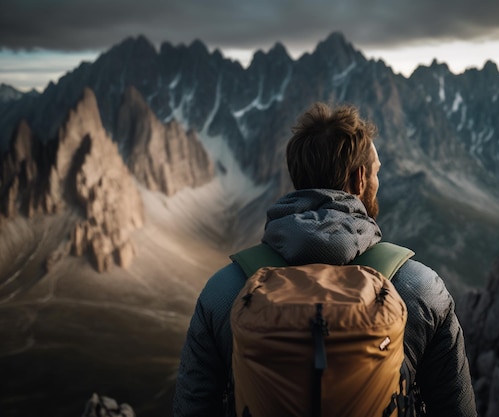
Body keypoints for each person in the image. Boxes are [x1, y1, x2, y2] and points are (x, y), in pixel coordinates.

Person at [172, 102, 477, 417]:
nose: (377, 182)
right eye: (376, 173)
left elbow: (191, 409)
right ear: (360, 179)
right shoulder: (421, 289)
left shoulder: (224, 293)